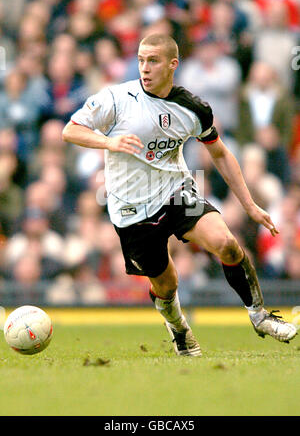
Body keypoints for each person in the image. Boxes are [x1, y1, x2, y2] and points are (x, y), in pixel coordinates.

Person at [62, 33, 297, 357]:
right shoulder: (116, 99)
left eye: (153, 61)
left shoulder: (193, 108)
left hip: (175, 191)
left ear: (173, 64)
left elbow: (220, 154)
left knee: (228, 245)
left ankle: (260, 316)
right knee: (166, 284)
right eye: (142, 59)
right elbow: (70, 130)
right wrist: (109, 142)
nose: (144, 67)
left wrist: (250, 205)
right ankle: (179, 328)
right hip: (131, 209)